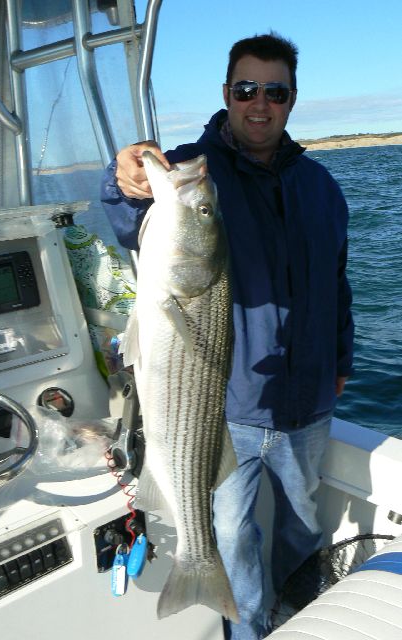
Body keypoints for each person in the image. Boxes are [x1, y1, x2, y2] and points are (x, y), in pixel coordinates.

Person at [101, 32, 354, 640]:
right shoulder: (196, 175)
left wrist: (340, 360)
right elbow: (131, 207)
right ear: (227, 94)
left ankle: (298, 619)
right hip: (225, 410)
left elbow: (338, 285)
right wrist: (126, 176)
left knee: (301, 527)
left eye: (275, 91)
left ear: (292, 100)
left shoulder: (322, 186)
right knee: (233, 534)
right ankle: (246, 630)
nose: (259, 103)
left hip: (308, 404)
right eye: (246, 89)